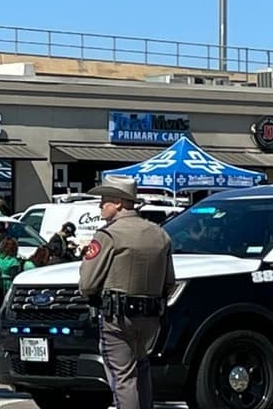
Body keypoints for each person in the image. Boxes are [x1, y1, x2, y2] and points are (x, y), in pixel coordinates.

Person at [79, 175, 176, 409]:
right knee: (141, 369)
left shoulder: (109, 235)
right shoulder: (159, 234)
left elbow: (88, 283)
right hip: (151, 316)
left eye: (105, 200)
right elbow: (169, 282)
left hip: (118, 317)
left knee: (123, 377)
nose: (100, 205)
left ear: (120, 203)